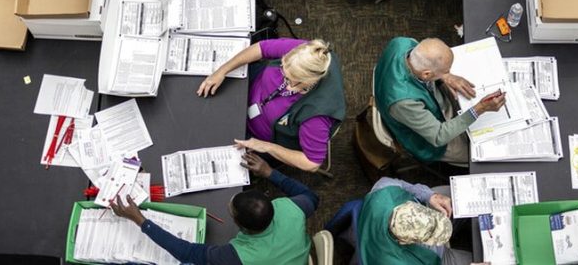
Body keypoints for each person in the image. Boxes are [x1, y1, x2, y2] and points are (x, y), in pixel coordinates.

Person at [111, 152, 316, 265]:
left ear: (242, 228)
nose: (229, 203)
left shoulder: (238, 256)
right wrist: (270, 172)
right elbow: (311, 197)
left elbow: (188, 253)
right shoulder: (292, 209)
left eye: (231, 211)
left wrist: (140, 220)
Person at [196, 38, 344, 172]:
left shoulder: (316, 116)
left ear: (308, 81)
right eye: (283, 70)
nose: (284, 81)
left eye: (291, 79)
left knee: (206, 143)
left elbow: (312, 163)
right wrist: (222, 70)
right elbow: (261, 48)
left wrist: (267, 147)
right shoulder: (305, 53)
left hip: (257, 138)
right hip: (248, 90)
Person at [374, 37, 506, 165]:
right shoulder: (403, 102)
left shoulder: (402, 43)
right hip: (429, 141)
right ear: (427, 74)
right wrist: (479, 109)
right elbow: (439, 136)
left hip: (426, 101)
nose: (449, 73)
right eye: (446, 71)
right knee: (482, 152)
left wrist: (446, 76)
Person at [352, 177, 473, 265]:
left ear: (409, 204)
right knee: (481, 259)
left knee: (463, 197)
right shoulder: (391, 261)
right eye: (431, 238)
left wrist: (429, 195)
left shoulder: (384, 189)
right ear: (404, 241)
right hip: (435, 257)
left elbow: (401, 184)